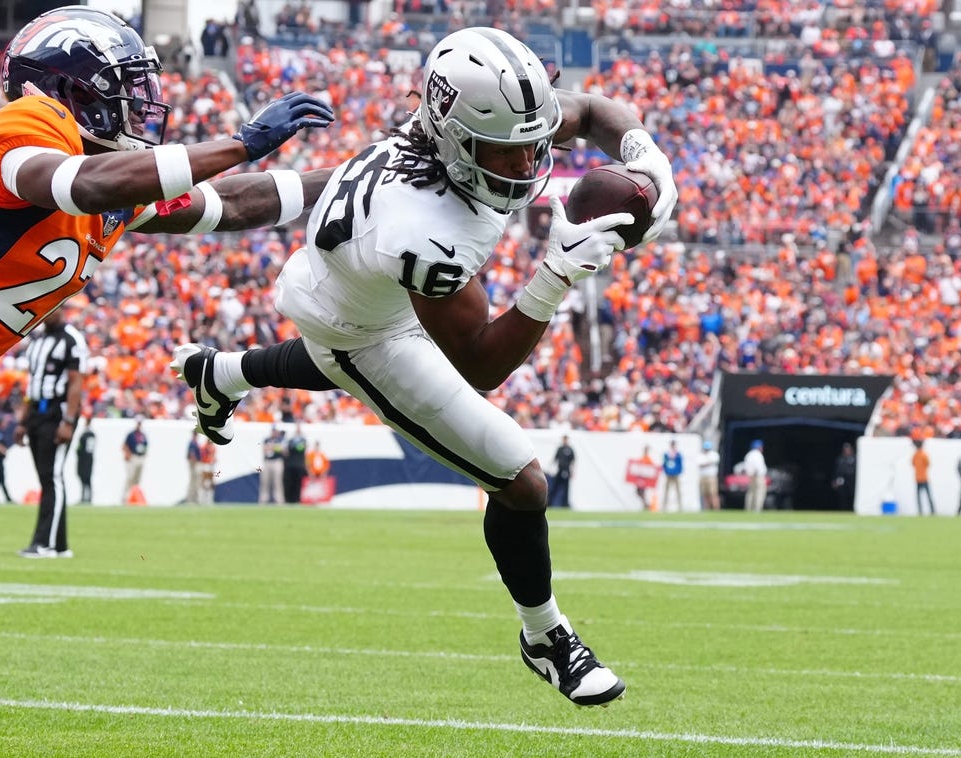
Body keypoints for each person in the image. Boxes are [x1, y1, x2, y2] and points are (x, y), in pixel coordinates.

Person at [172, 27, 677, 706]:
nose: (530, 162)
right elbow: (482, 363)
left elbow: (589, 113)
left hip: (356, 279)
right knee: (520, 479)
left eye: (535, 142)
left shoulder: (461, 130)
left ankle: (220, 374)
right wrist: (557, 274)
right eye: (509, 149)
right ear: (454, 139)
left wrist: (648, 159)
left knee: (348, 368)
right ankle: (544, 637)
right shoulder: (422, 228)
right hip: (362, 325)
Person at [0, 5, 334, 610]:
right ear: (72, 88)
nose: (144, 103)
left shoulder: (118, 185)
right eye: (127, 87)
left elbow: (233, 205)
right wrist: (239, 143)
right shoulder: (28, 124)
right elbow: (80, 184)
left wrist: (365, 174)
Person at [14, 309, 85, 557]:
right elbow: (32, 382)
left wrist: (68, 420)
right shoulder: (38, 340)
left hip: (57, 412)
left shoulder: (72, 339)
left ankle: (45, 543)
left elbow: (76, 382)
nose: (49, 313)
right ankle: (59, 544)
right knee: (47, 478)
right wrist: (23, 420)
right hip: (36, 412)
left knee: (52, 477)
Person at [123, 416, 149, 502]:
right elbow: (125, 446)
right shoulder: (131, 435)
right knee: (130, 478)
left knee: (137, 479)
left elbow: (146, 446)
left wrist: (144, 455)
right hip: (133, 457)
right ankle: (125, 497)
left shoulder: (143, 435)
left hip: (140, 457)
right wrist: (128, 455)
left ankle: (134, 497)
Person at [259, 424, 286, 504]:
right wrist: (274, 447)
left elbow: (283, 450)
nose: (274, 432)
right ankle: (263, 500)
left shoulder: (280, 439)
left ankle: (279, 500)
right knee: (265, 482)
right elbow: (264, 449)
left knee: (277, 482)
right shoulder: (267, 439)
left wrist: (273, 447)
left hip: (277, 461)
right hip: (267, 462)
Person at [547, 435, 575, 509]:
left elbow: (573, 461)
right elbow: (555, 459)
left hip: (567, 470)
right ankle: (550, 502)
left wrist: (572, 471)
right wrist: (551, 469)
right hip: (559, 470)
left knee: (566, 488)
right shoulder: (560, 448)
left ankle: (565, 504)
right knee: (554, 486)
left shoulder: (570, 449)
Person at [284, 423, 308, 505]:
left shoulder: (303, 440)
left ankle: (297, 500)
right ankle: (289, 500)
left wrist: (293, 447)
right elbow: (288, 450)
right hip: (290, 465)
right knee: (289, 483)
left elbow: (300, 448)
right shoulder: (291, 440)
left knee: (298, 484)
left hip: (299, 465)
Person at [75, 416, 96, 504]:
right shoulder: (92, 434)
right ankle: (87, 497)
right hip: (89, 459)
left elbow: (80, 448)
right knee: (86, 478)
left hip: (84, 459)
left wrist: (78, 452)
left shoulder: (86, 434)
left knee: (85, 478)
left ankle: (86, 497)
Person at [911, 439, 935, 515]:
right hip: (923, 478)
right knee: (927, 495)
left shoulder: (917, 454)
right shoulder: (923, 454)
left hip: (920, 478)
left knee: (920, 496)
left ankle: (922, 511)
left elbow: (913, 464)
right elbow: (928, 464)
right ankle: (931, 511)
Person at [743, 440, 767, 512]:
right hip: (758, 476)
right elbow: (758, 466)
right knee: (759, 493)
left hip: (750, 476)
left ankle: (748, 509)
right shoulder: (758, 455)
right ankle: (757, 509)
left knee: (750, 493)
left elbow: (746, 467)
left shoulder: (749, 454)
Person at [831, 442, 857, 511]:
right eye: (845, 450)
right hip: (843, 483)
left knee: (852, 498)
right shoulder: (840, 460)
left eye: (848, 450)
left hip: (852, 483)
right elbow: (837, 472)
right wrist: (834, 481)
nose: (847, 452)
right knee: (843, 499)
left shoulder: (856, 459)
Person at [697, 440, 720, 511]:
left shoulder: (714, 454)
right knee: (705, 494)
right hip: (703, 477)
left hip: (711, 477)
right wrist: (708, 463)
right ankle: (707, 509)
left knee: (713, 493)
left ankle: (716, 509)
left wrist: (706, 463)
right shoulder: (700, 455)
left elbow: (712, 462)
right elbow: (700, 464)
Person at [660, 438, 683, 512]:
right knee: (666, 491)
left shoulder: (678, 454)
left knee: (678, 491)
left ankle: (680, 507)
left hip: (676, 474)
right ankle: (664, 507)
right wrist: (666, 471)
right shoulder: (667, 454)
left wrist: (678, 472)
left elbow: (680, 464)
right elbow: (664, 464)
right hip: (668, 474)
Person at [184, 431, 202, 504]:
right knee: (194, 482)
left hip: (194, 463)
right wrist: (195, 463)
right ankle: (191, 499)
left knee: (195, 482)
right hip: (194, 464)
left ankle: (193, 499)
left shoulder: (194, 442)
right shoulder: (193, 443)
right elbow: (192, 454)